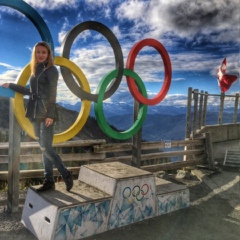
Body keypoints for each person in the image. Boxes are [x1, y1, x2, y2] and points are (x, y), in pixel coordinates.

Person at [1, 41, 73, 192]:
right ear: (35, 54)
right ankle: (49, 181)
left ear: (48, 54)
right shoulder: (36, 69)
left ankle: (65, 174)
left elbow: (53, 94)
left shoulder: (52, 70)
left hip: (46, 112)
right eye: (38, 52)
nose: (40, 55)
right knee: (43, 148)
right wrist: (12, 85)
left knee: (45, 147)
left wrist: (51, 115)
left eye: (43, 52)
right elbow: (30, 92)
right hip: (34, 112)